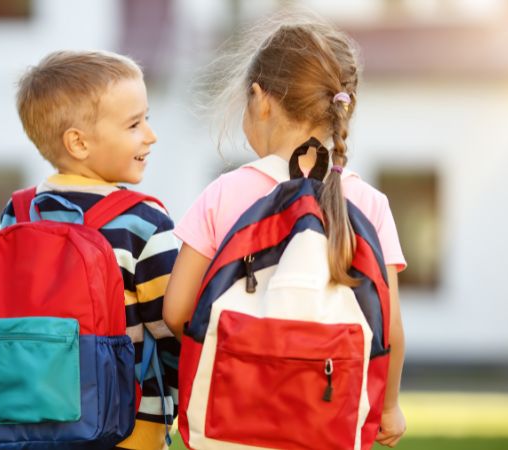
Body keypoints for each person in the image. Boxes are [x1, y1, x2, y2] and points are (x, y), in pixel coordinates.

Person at [163, 17, 407, 448]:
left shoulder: (224, 193)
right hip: (328, 418)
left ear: (260, 100)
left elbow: (177, 310)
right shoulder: (368, 203)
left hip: (235, 419)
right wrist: (387, 408)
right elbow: (389, 327)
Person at [0, 50, 179, 450]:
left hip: (29, 419)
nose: (151, 135)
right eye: (135, 124)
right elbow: (175, 325)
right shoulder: (143, 222)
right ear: (78, 142)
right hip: (128, 428)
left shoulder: (18, 213)